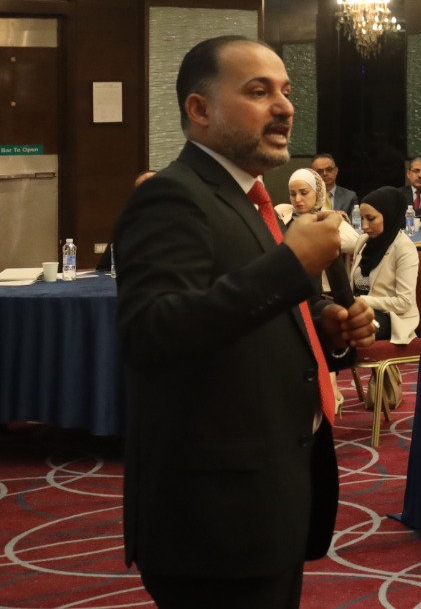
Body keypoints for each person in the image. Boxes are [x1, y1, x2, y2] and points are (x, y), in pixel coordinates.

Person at [114, 36, 375, 608]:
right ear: (200, 109)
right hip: (212, 518)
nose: (284, 107)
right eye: (259, 92)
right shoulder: (172, 197)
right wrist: (292, 266)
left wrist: (328, 324)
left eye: (286, 91)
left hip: (268, 497)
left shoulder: (249, 199)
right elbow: (151, 332)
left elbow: (262, 306)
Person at [352, 186, 421, 348]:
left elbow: (404, 302)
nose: (364, 226)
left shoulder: (404, 247)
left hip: (391, 317)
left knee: (350, 329)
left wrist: (363, 301)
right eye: (362, 218)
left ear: (389, 215)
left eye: (370, 219)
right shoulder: (363, 241)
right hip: (359, 310)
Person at [275, 167, 361, 264]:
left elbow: (355, 243)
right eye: (293, 194)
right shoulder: (282, 212)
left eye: (304, 193)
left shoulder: (330, 217)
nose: (297, 199)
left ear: (317, 192)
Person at [312, 152, 358, 216]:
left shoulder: (350, 197)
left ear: (336, 171)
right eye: (319, 171)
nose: (325, 174)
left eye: (329, 169)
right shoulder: (308, 196)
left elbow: (355, 221)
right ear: (313, 174)